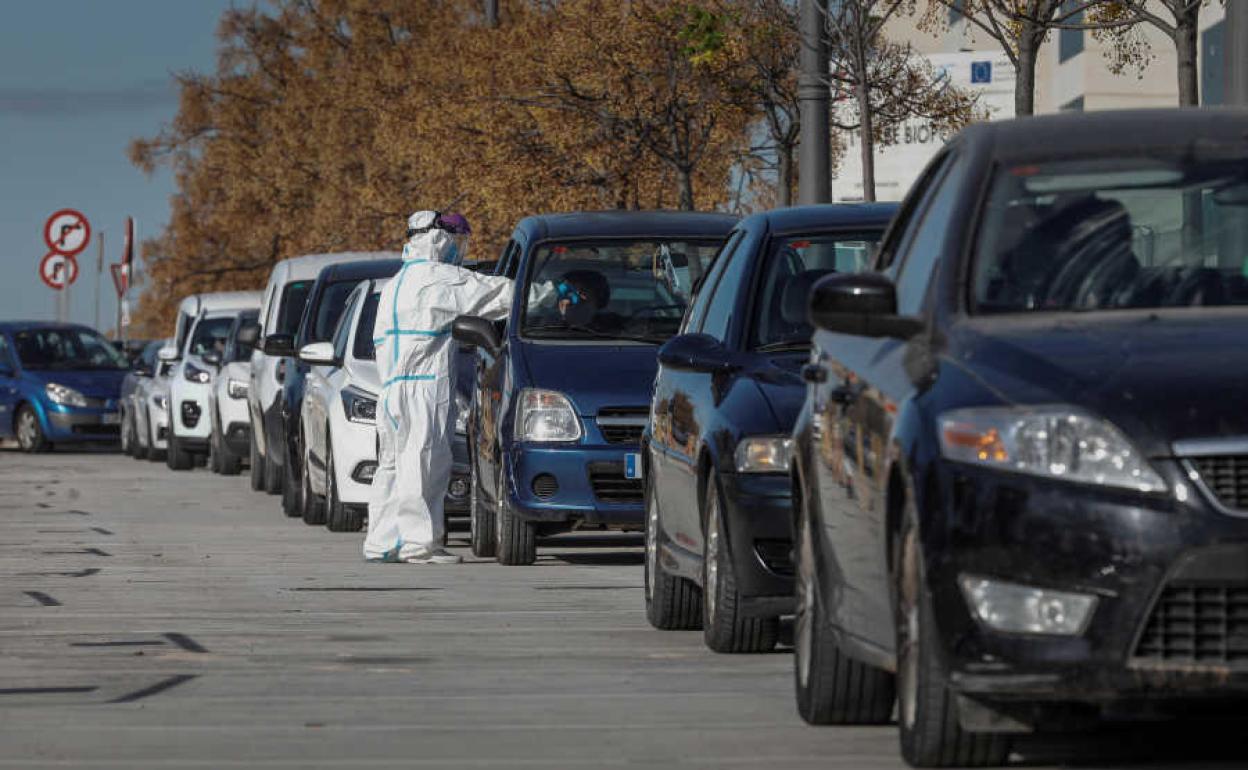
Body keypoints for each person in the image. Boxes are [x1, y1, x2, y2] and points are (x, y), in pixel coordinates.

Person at [364, 211, 512, 564]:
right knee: (424, 461)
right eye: (455, 243)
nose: (457, 251)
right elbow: (501, 295)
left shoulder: (395, 284)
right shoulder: (440, 279)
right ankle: (419, 545)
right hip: (423, 386)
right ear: (438, 240)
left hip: (390, 391)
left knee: (392, 465)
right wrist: (548, 290)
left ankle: (381, 541)